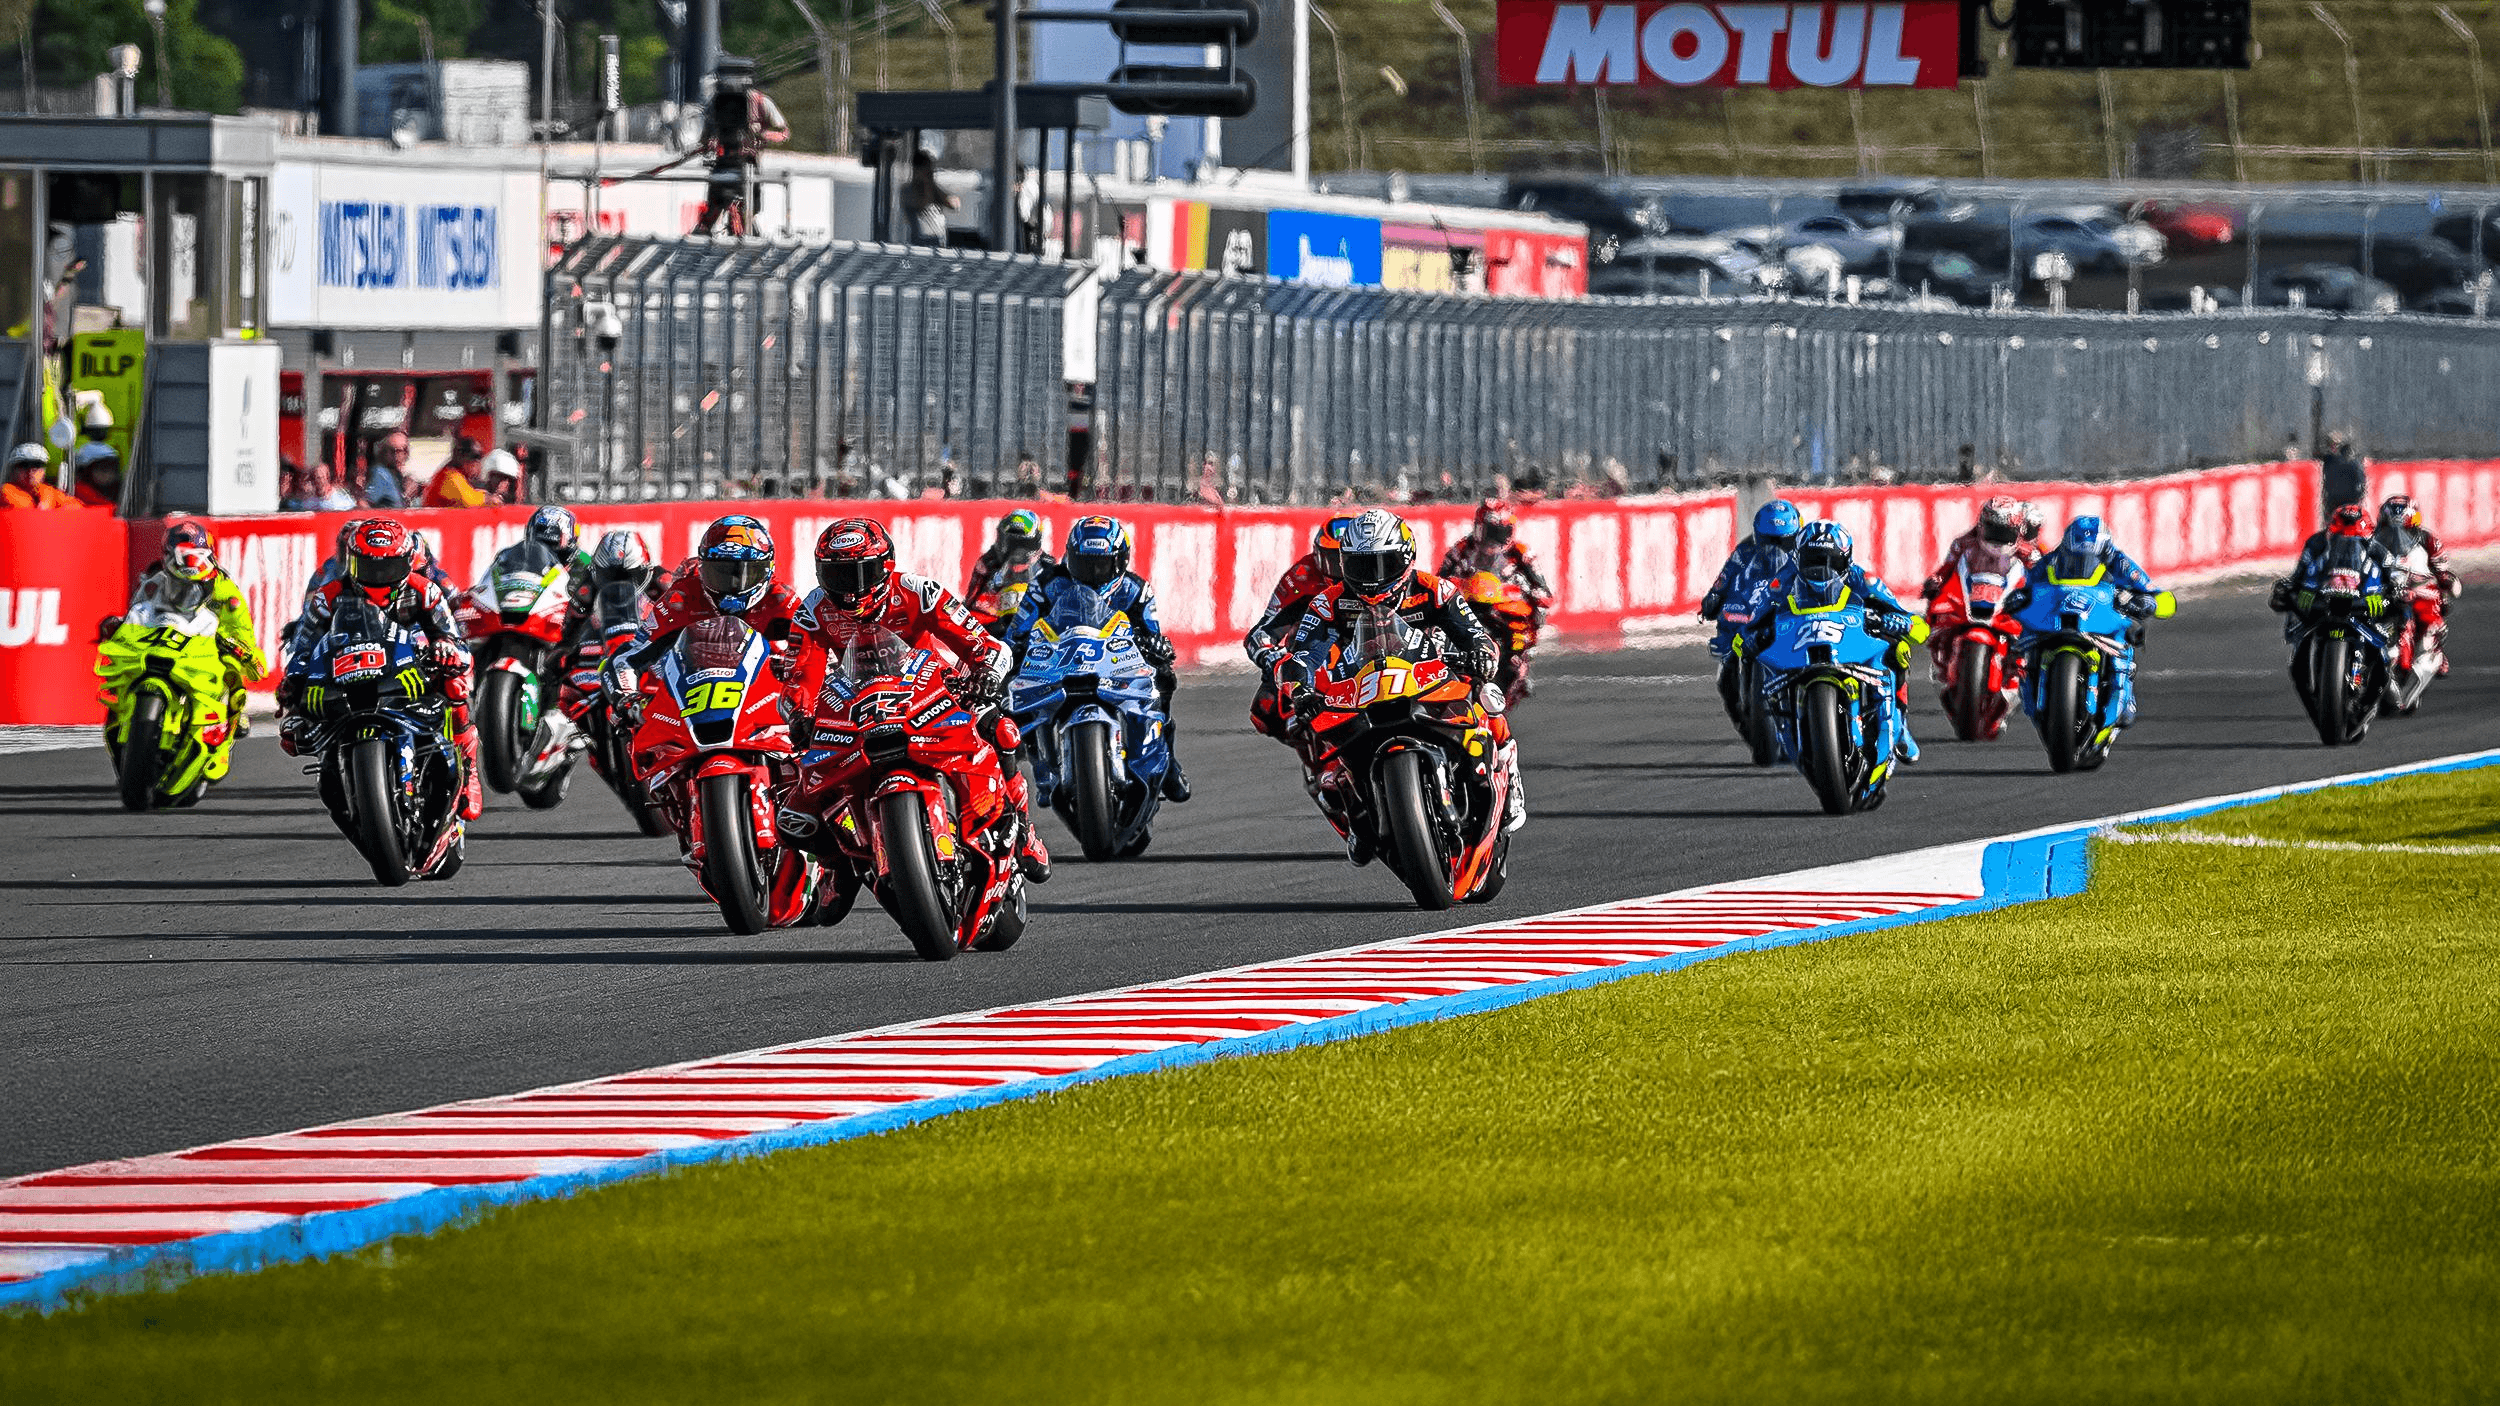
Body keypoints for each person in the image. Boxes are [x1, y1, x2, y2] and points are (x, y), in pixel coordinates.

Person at [797, 518, 1052, 880]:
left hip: (928, 686)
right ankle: (838, 865)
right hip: (856, 699)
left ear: (885, 566)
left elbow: (981, 642)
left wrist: (987, 676)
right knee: (797, 804)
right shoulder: (814, 610)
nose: (851, 591)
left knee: (1000, 728)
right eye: (839, 577)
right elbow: (800, 674)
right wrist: (800, 714)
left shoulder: (919, 591)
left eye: (861, 574)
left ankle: (1022, 828)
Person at [1273, 508, 1522, 848]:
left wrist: (1479, 652)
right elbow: (1302, 654)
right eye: (1363, 566)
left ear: (1405, 558)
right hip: (1360, 687)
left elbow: (1474, 633)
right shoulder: (1327, 603)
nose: (1373, 577)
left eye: (1383, 564)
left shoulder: (1435, 590)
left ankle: (1508, 767)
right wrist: (1300, 687)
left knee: (1486, 696)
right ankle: (1357, 818)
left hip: (1431, 676)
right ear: (1346, 564)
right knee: (1320, 755)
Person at [278, 519, 484, 822]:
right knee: (294, 720)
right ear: (352, 563)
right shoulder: (328, 595)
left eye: (387, 568)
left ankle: (468, 769)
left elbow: (452, 636)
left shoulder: (425, 590)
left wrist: (445, 647)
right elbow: (305, 643)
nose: (378, 577)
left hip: (408, 666)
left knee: (455, 684)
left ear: (406, 562)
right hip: (350, 668)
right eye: (368, 567)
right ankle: (337, 766)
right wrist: (294, 677)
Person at [1004, 515, 1191, 803]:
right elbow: (1019, 629)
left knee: (1163, 678)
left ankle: (1164, 760)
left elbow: (1152, 633)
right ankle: (1040, 768)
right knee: (1014, 691)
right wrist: (1014, 649)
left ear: (1119, 561)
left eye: (1101, 565)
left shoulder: (1136, 590)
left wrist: (1155, 646)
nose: (1092, 573)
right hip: (1060, 662)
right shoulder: (1047, 585)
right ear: (1070, 557)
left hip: (1115, 664)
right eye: (1084, 564)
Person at [1747, 520, 1923, 764]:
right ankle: (1776, 720)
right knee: (1757, 655)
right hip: (1801, 642)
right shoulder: (1782, 580)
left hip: (1851, 637)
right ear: (1798, 560)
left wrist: (1902, 623)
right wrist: (1751, 636)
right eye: (1813, 561)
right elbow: (1753, 620)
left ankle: (1900, 724)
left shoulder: (1864, 579)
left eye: (1831, 562)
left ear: (1846, 560)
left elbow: (1917, 626)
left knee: (1898, 648)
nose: (1822, 569)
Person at [105, 522, 270, 741]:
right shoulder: (155, 580)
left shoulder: (226, 591)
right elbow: (138, 611)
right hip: (163, 639)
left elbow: (243, 634)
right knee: (121, 661)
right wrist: (120, 624)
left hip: (205, 645)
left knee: (232, 670)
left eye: (195, 553)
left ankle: (231, 715)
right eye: (180, 553)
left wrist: (237, 647)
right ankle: (125, 703)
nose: (187, 560)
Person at [2009, 515, 2166, 729]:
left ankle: (2122, 694)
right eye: (2075, 556)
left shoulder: (2119, 561)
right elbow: (2027, 584)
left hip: (2100, 618)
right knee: (2021, 636)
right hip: (2058, 617)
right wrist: (2018, 596)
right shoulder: (2053, 559)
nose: (2081, 562)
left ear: (2104, 550)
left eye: (2090, 557)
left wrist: (2149, 600)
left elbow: (2152, 591)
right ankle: (2030, 684)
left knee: (2130, 632)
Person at [1243, 514, 1355, 747]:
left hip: (1366, 650)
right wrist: (1272, 657)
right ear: (1319, 555)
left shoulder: (1378, 579)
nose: (1341, 567)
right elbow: (1262, 632)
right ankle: (1312, 754)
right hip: (1318, 651)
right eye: (1334, 558)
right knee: (1265, 711)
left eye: (1348, 558)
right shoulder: (1302, 576)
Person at [1700, 499, 1802, 725]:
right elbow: (1723, 580)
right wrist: (1712, 600)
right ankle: (1742, 718)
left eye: (1782, 541)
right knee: (1725, 676)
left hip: (1790, 620)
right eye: (1768, 540)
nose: (1774, 549)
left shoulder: (1805, 553)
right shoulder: (1744, 551)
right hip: (1749, 618)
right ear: (1758, 535)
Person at [2374, 494, 2460, 676]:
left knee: (2433, 615)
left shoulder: (2428, 539)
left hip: (2417, 588)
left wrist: (2446, 580)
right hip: (2384, 589)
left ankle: (2434, 651)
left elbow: (2441, 569)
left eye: (2402, 529)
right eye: (2391, 530)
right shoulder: (2372, 540)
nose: (2396, 536)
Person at [964, 509, 1053, 631]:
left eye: (1023, 544)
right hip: (993, 624)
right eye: (1011, 543)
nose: (1017, 551)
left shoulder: (1047, 565)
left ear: (1035, 542)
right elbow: (971, 603)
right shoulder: (987, 562)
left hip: (1034, 625)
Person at [69, 401, 121, 508]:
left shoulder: (83, 451)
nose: (108, 474)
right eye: (102, 468)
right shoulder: (112, 451)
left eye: (110, 469)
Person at [903, 150, 958, 247]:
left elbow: (954, 205)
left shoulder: (934, 189)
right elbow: (922, 203)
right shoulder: (907, 191)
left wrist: (933, 187)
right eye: (926, 169)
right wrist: (926, 184)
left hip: (938, 242)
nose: (930, 172)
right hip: (919, 245)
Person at [1, 442, 76, 509]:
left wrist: (63, 509)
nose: (30, 470)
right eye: (24, 465)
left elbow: (77, 507)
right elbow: (26, 511)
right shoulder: (4, 492)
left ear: (44, 470)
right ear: (13, 470)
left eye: (36, 465)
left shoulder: (50, 493)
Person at [423, 435, 489, 508]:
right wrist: (489, 499)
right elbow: (470, 501)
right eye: (474, 457)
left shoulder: (459, 476)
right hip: (433, 518)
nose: (477, 462)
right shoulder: (449, 476)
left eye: (479, 457)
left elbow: (470, 494)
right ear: (460, 457)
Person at [2321, 434, 2367, 519]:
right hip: (2350, 502)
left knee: (2332, 522)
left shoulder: (2331, 461)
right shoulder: (2355, 465)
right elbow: (2360, 484)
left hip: (2333, 501)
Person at [360, 432, 411, 509]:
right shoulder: (381, 474)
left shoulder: (397, 476)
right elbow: (363, 503)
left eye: (403, 451)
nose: (397, 456)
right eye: (393, 451)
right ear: (383, 453)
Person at [283, 462, 356, 512]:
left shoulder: (340, 499)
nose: (320, 480)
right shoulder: (309, 502)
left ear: (327, 477)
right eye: (316, 477)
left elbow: (352, 510)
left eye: (322, 477)